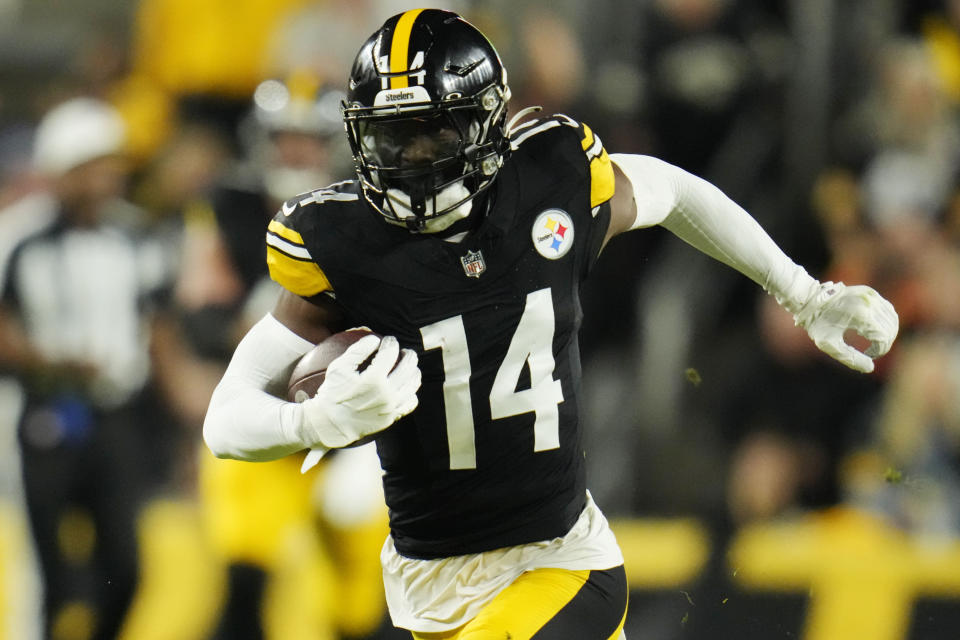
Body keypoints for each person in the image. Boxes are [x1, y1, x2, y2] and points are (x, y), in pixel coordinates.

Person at [202, 9, 899, 639]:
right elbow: (226, 420)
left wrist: (803, 293)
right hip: (433, 582)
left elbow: (673, 189)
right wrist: (312, 426)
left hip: (561, 563)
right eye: (390, 140)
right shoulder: (338, 242)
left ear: (484, 123)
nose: (410, 163)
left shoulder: (548, 180)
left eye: (429, 136)